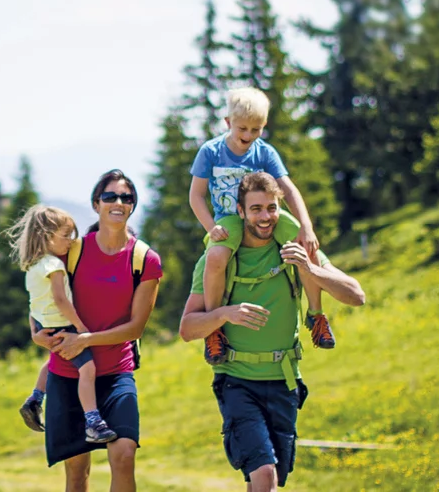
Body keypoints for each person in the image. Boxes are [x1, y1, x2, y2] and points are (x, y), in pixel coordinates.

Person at [179, 171, 365, 491]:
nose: (265, 217)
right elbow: (187, 329)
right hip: (236, 381)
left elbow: (356, 296)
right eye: (256, 209)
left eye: (271, 208)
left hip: (284, 380)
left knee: (271, 480)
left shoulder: (292, 247)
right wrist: (225, 314)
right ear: (240, 212)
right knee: (264, 473)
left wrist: (310, 268)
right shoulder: (220, 258)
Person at [29, 169, 162, 492]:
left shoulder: (145, 259)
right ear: (96, 203)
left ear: (132, 206)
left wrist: (86, 339)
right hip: (68, 374)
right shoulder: (72, 251)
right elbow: (41, 293)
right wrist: (35, 331)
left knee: (124, 453)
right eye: (110, 196)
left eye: (126, 197)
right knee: (77, 474)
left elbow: (136, 327)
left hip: (117, 373)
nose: (118, 202)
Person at [191, 87, 332, 368]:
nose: (248, 135)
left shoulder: (264, 152)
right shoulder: (211, 152)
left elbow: (289, 190)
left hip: (267, 213)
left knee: (305, 247)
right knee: (216, 258)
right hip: (231, 218)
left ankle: (316, 315)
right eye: (242, 128)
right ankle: (214, 327)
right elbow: (196, 195)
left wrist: (306, 226)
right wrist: (210, 227)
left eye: (256, 129)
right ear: (228, 122)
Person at [10, 204, 116, 443]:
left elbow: (35, 302)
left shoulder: (33, 266)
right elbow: (60, 300)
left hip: (43, 323)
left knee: (54, 359)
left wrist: (35, 328)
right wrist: (80, 327)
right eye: (66, 235)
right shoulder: (55, 265)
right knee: (87, 369)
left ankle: (35, 398)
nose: (70, 241)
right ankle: (93, 421)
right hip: (61, 325)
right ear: (47, 236)